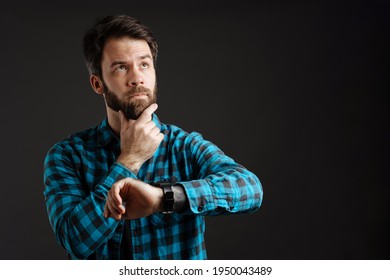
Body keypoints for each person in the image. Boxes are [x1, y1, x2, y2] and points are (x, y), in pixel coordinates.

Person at [43, 14, 263, 260]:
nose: (137, 77)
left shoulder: (183, 145)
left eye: (144, 64)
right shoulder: (67, 156)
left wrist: (163, 198)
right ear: (98, 84)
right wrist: (128, 161)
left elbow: (250, 189)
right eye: (121, 67)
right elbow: (74, 239)